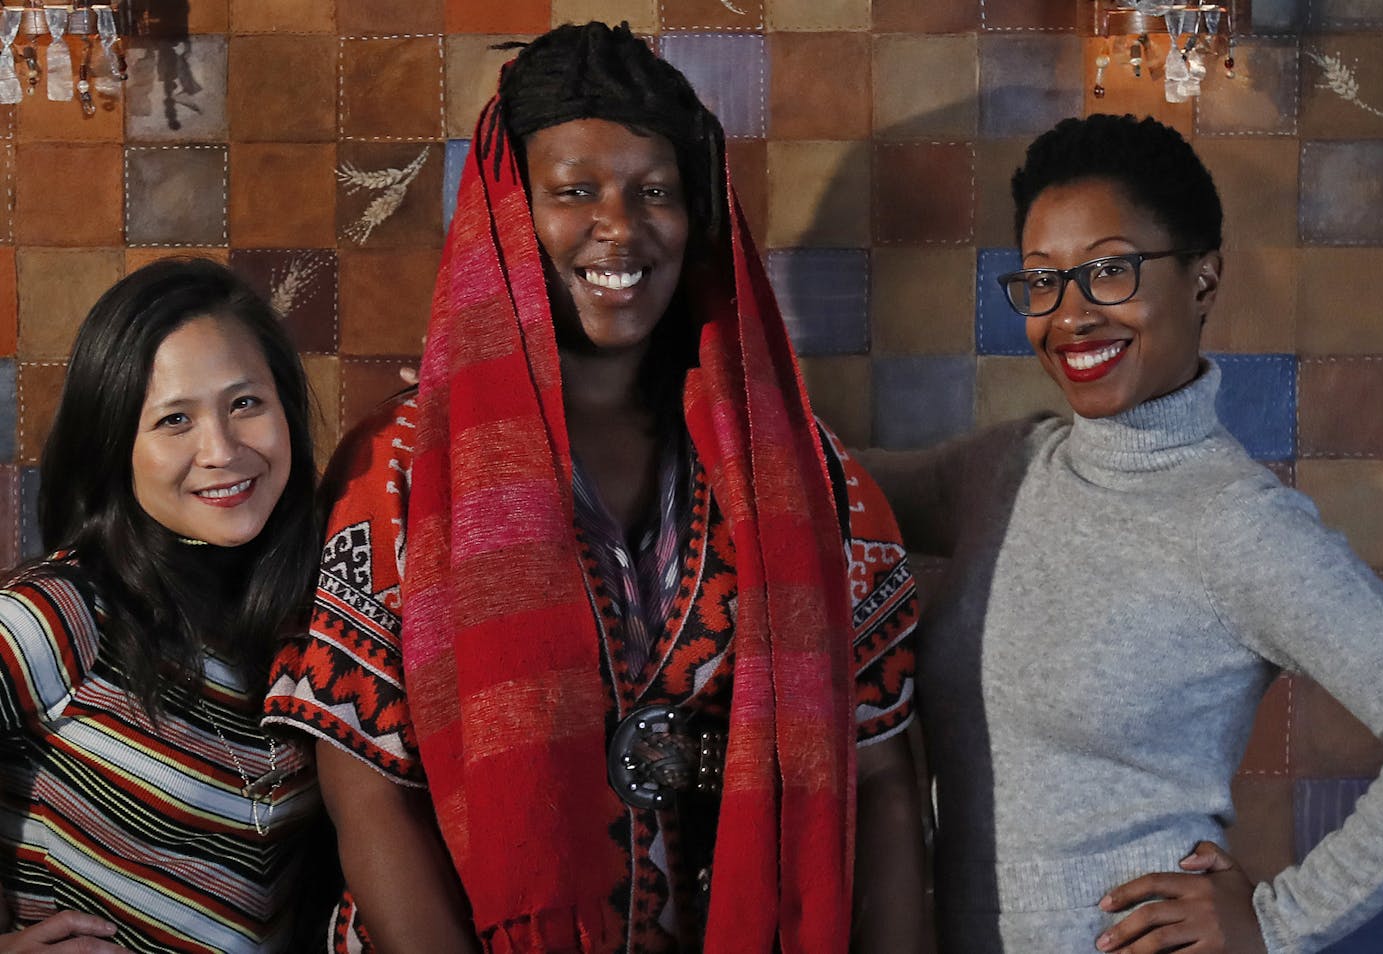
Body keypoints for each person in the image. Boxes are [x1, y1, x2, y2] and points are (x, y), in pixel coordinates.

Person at [262, 20, 922, 954]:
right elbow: (365, 791)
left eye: (655, 191)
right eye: (574, 191)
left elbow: (884, 777)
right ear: (507, 213)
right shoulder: (408, 469)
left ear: (699, 219)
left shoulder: (802, 474)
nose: (620, 226)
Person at [859, 113, 1383, 953]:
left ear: (1203, 278)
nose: (1070, 315)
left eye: (1110, 271)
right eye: (1041, 281)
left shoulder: (1237, 522)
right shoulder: (1004, 471)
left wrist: (1277, 924)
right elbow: (816, 485)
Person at [0, 258, 325, 953]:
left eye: (246, 404)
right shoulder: (59, 613)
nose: (222, 450)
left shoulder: (313, 617)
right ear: (116, 445)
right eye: (175, 420)